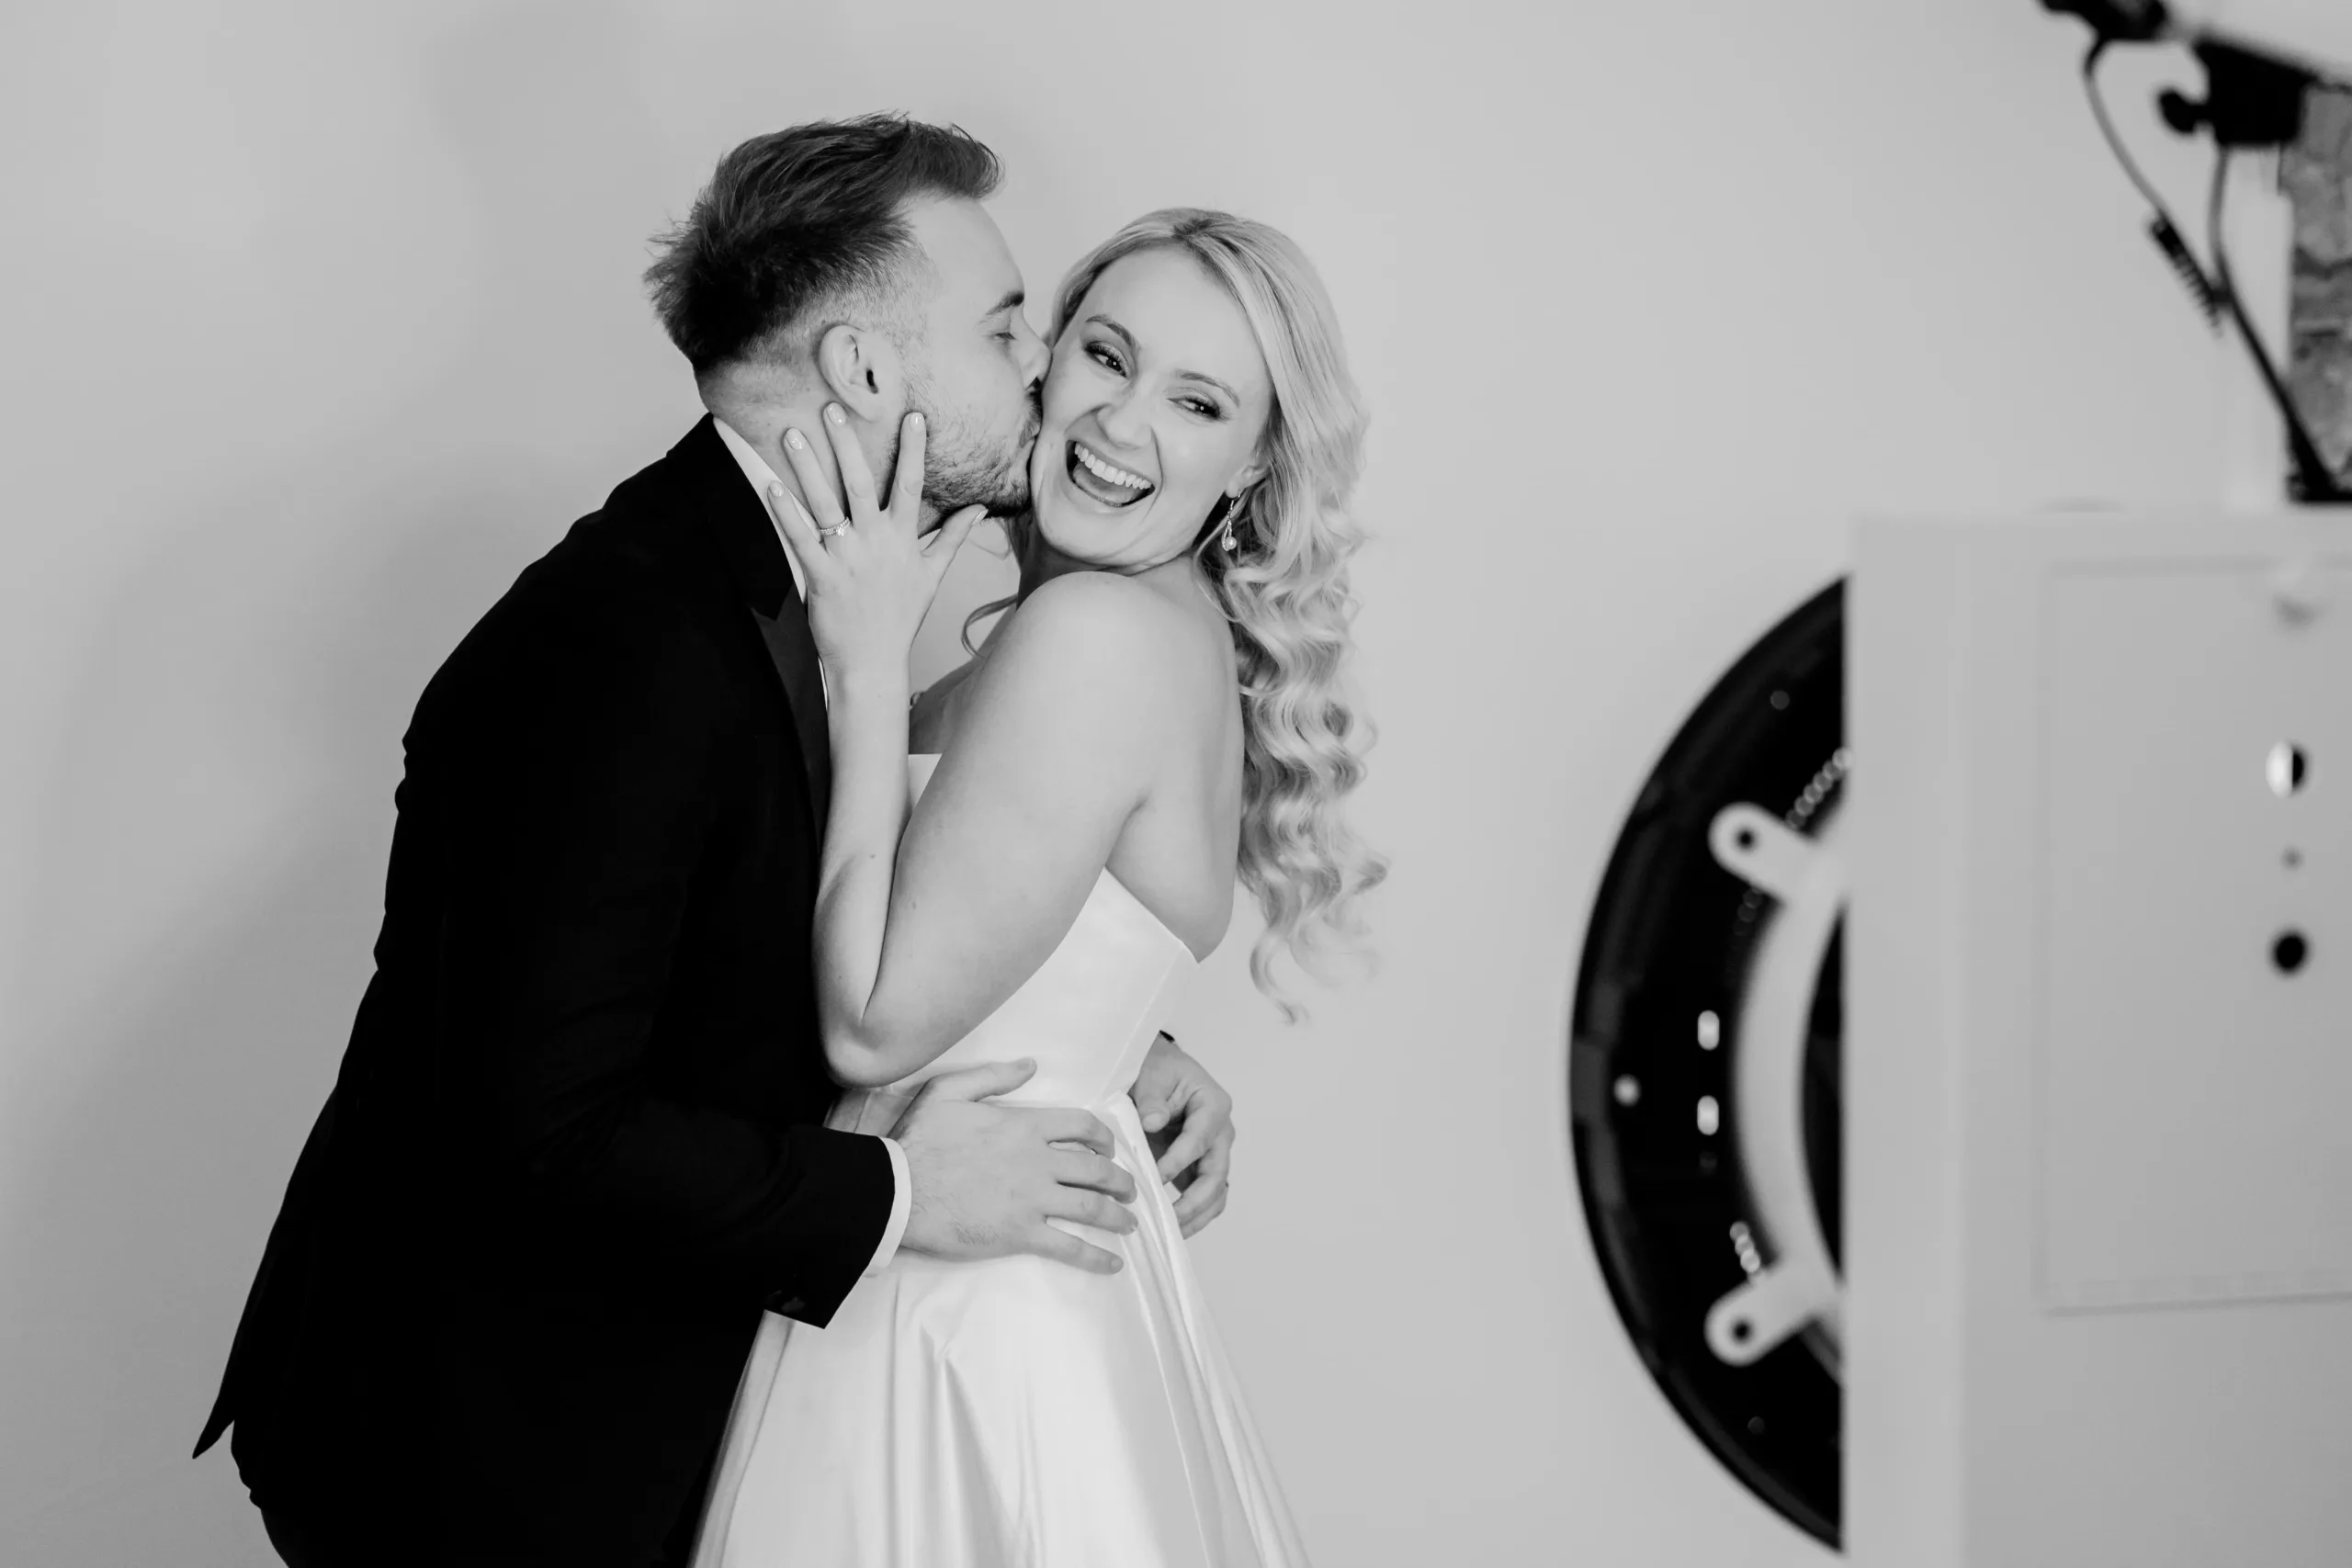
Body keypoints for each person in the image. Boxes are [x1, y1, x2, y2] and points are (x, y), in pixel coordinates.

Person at [192, 116, 1247, 1568]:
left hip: (658, 1403)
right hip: (488, 1442)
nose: (1044, 372)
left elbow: (772, 907)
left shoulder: (836, 576)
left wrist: (1104, 1026)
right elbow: (539, 1128)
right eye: (1010, 328)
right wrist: (902, 1193)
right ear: (871, 371)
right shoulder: (618, 642)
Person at [688, 207, 1383, 1566]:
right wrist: (1139, 1051)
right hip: (1000, 1262)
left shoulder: (1095, 634)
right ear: (1047, 360)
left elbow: (878, 1025)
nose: (1125, 423)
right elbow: (1046, 942)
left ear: (1250, 468)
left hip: (960, 1305)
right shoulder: (1149, 631)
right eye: (1106, 356)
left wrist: (866, 658)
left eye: (1197, 402)